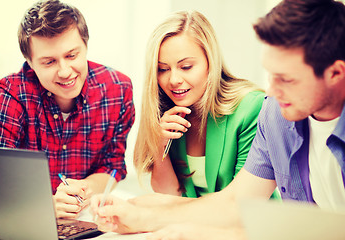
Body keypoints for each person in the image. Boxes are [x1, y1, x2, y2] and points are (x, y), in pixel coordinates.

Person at [91, 0, 345, 238]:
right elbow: (236, 204)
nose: (271, 91)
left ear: (336, 73)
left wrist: (180, 226)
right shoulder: (277, 116)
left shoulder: (256, 107)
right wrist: (140, 215)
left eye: (286, 79)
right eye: (271, 75)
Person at [0, 0, 135, 219]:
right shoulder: (11, 95)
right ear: (30, 62)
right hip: (24, 219)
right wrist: (43, 206)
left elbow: (113, 167)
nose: (65, 72)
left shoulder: (118, 90)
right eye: (49, 62)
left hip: (86, 217)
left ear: (85, 46)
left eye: (72, 55)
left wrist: (84, 189)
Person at [133, 10, 265, 198]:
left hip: (247, 224)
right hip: (191, 224)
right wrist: (159, 144)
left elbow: (242, 202)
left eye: (186, 67)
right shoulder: (167, 114)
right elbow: (169, 195)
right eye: (162, 69)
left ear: (210, 62)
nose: (173, 80)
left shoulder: (251, 107)